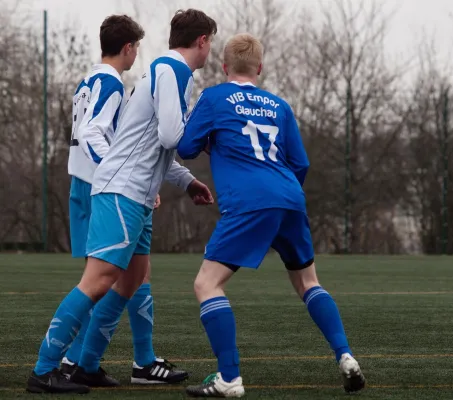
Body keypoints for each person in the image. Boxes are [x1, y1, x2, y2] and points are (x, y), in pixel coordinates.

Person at [26, 9, 216, 395]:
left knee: (131, 281)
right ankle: (44, 369)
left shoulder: (167, 72)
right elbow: (170, 135)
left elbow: (151, 145)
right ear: (203, 41)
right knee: (97, 281)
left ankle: (87, 366)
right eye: (211, 41)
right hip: (120, 192)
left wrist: (187, 180)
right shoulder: (171, 70)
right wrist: (208, 120)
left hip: (136, 194)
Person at [177, 33, 366, 398]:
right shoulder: (279, 104)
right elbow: (301, 162)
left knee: (206, 284)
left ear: (223, 66)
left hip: (249, 201)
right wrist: (281, 196)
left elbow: (185, 147)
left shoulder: (215, 97)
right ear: (260, 68)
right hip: (290, 197)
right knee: (308, 282)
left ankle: (229, 379)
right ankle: (345, 356)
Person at [61, 14, 186, 389]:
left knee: (131, 274)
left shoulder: (88, 80)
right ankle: (71, 361)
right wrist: (114, 174)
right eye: (137, 48)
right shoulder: (113, 82)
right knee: (100, 279)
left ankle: (138, 362)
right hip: (100, 186)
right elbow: (92, 132)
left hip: (81, 184)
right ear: (128, 48)